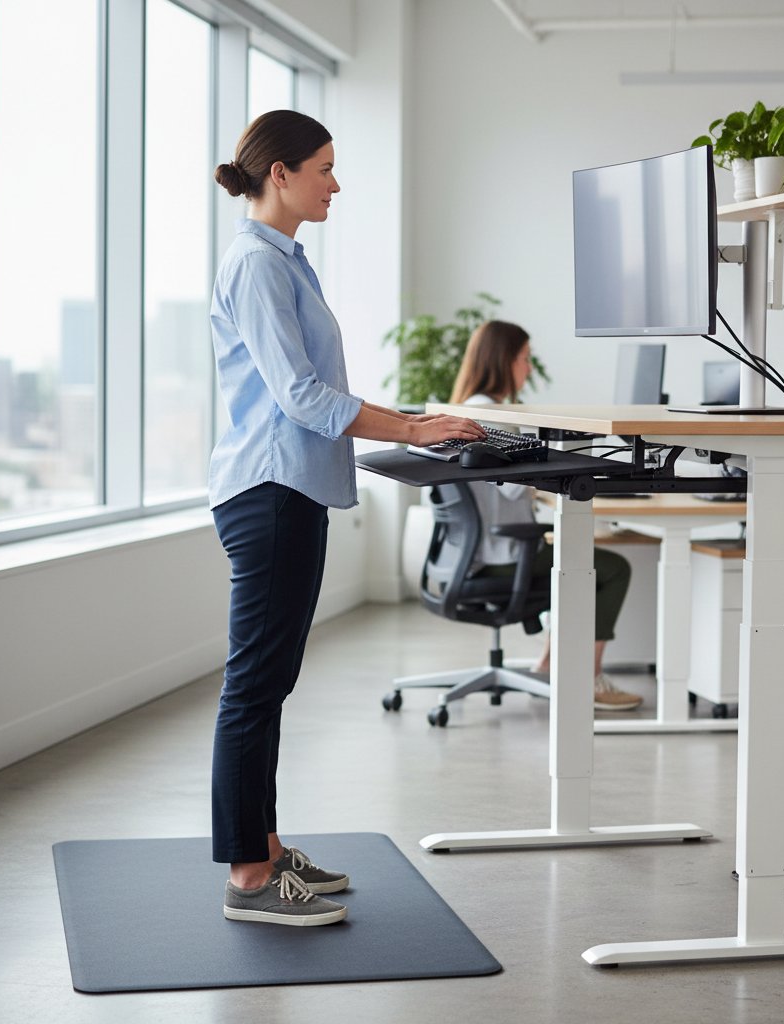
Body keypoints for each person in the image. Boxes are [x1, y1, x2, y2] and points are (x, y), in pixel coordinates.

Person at [209, 110, 485, 926]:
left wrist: (412, 420)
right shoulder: (258, 266)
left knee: (271, 683)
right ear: (280, 173)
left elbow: (311, 388)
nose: (337, 182)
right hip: (269, 491)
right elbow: (301, 396)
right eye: (324, 167)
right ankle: (250, 881)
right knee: (254, 687)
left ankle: (265, 845)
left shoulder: (285, 260)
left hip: (290, 489)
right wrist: (410, 428)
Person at [449, 320, 643, 711]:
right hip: (499, 556)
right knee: (610, 568)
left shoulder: (467, 408)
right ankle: (588, 680)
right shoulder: (494, 416)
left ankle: (549, 663)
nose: (529, 368)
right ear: (503, 361)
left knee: (571, 554)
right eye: (525, 358)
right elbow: (519, 485)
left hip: (471, 554)